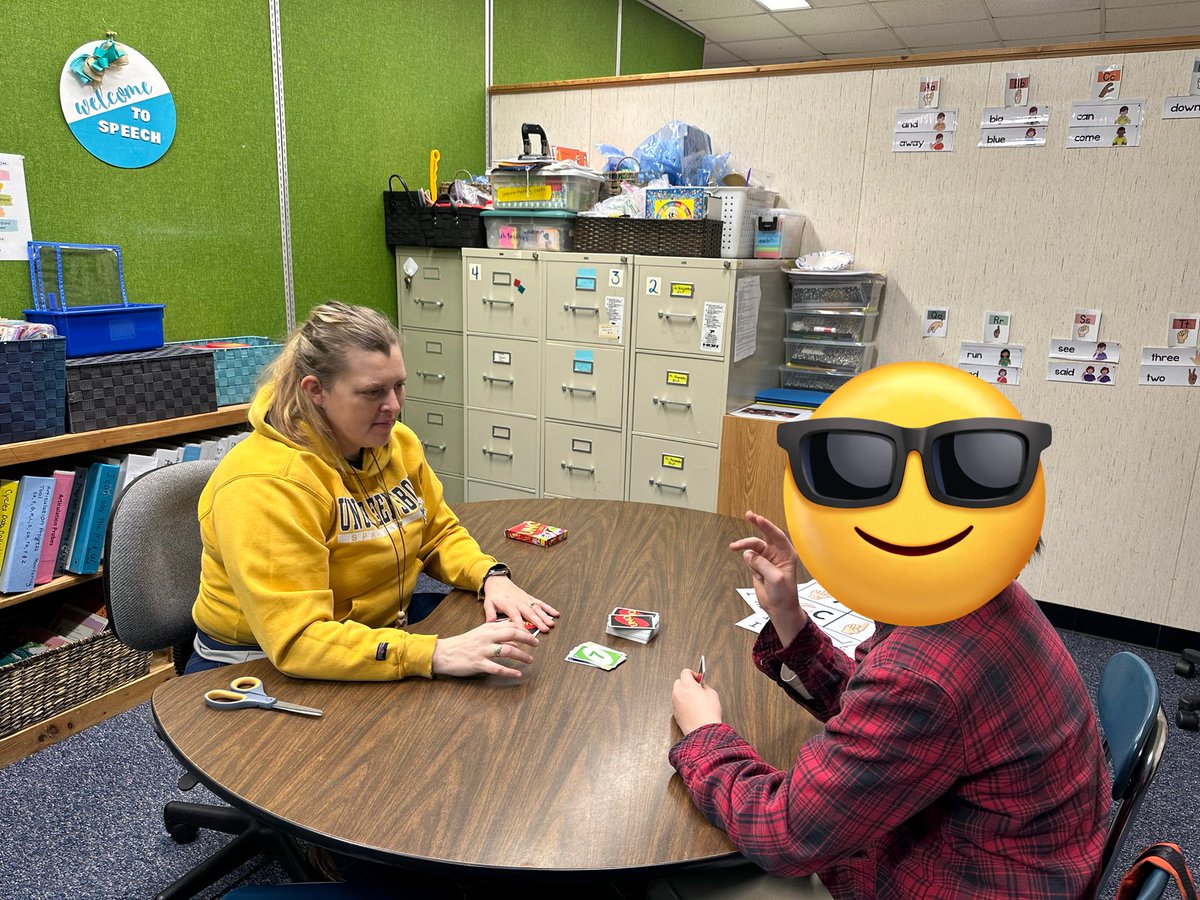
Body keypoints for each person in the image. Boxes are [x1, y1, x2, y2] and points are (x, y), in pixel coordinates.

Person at [665, 363, 1110, 899]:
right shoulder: (983, 597)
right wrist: (789, 616)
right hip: (1034, 860)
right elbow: (880, 716)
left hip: (962, 880)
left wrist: (703, 734)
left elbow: (785, 834)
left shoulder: (927, 672)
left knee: (698, 883)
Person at [188, 301, 559, 679]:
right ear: (316, 391)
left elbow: (437, 532)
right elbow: (297, 640)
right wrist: (431, 654)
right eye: (373, 392)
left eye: (399, 386)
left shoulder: (396, 443)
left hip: (375, 632)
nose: (394, 406)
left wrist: (489, 575)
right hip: (261, 663)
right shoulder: (266, 483)